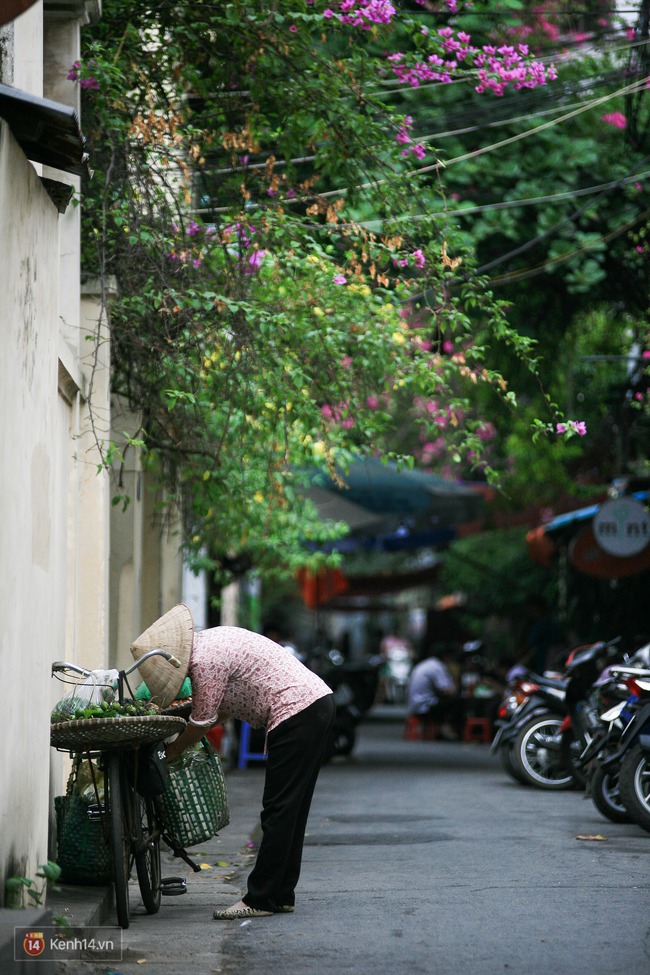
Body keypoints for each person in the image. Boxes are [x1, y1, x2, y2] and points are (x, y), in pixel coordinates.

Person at [131, 604, 335, 920]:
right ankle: (281, 893)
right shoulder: (212, 642)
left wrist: (173, 752)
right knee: (292, 808)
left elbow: (202, 722)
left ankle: (261, 897)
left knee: (279, 809)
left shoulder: (205, 660)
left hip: (296, 711)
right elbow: (222, 710)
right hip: (314, 704)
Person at [406, 645, 463, 739]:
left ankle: (442, 729)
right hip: (424, 705)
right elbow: (448, 690)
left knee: (446, 702)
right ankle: (448, 730)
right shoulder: (437, 666)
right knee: (457, 702)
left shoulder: (424, 664)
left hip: (414, 704)